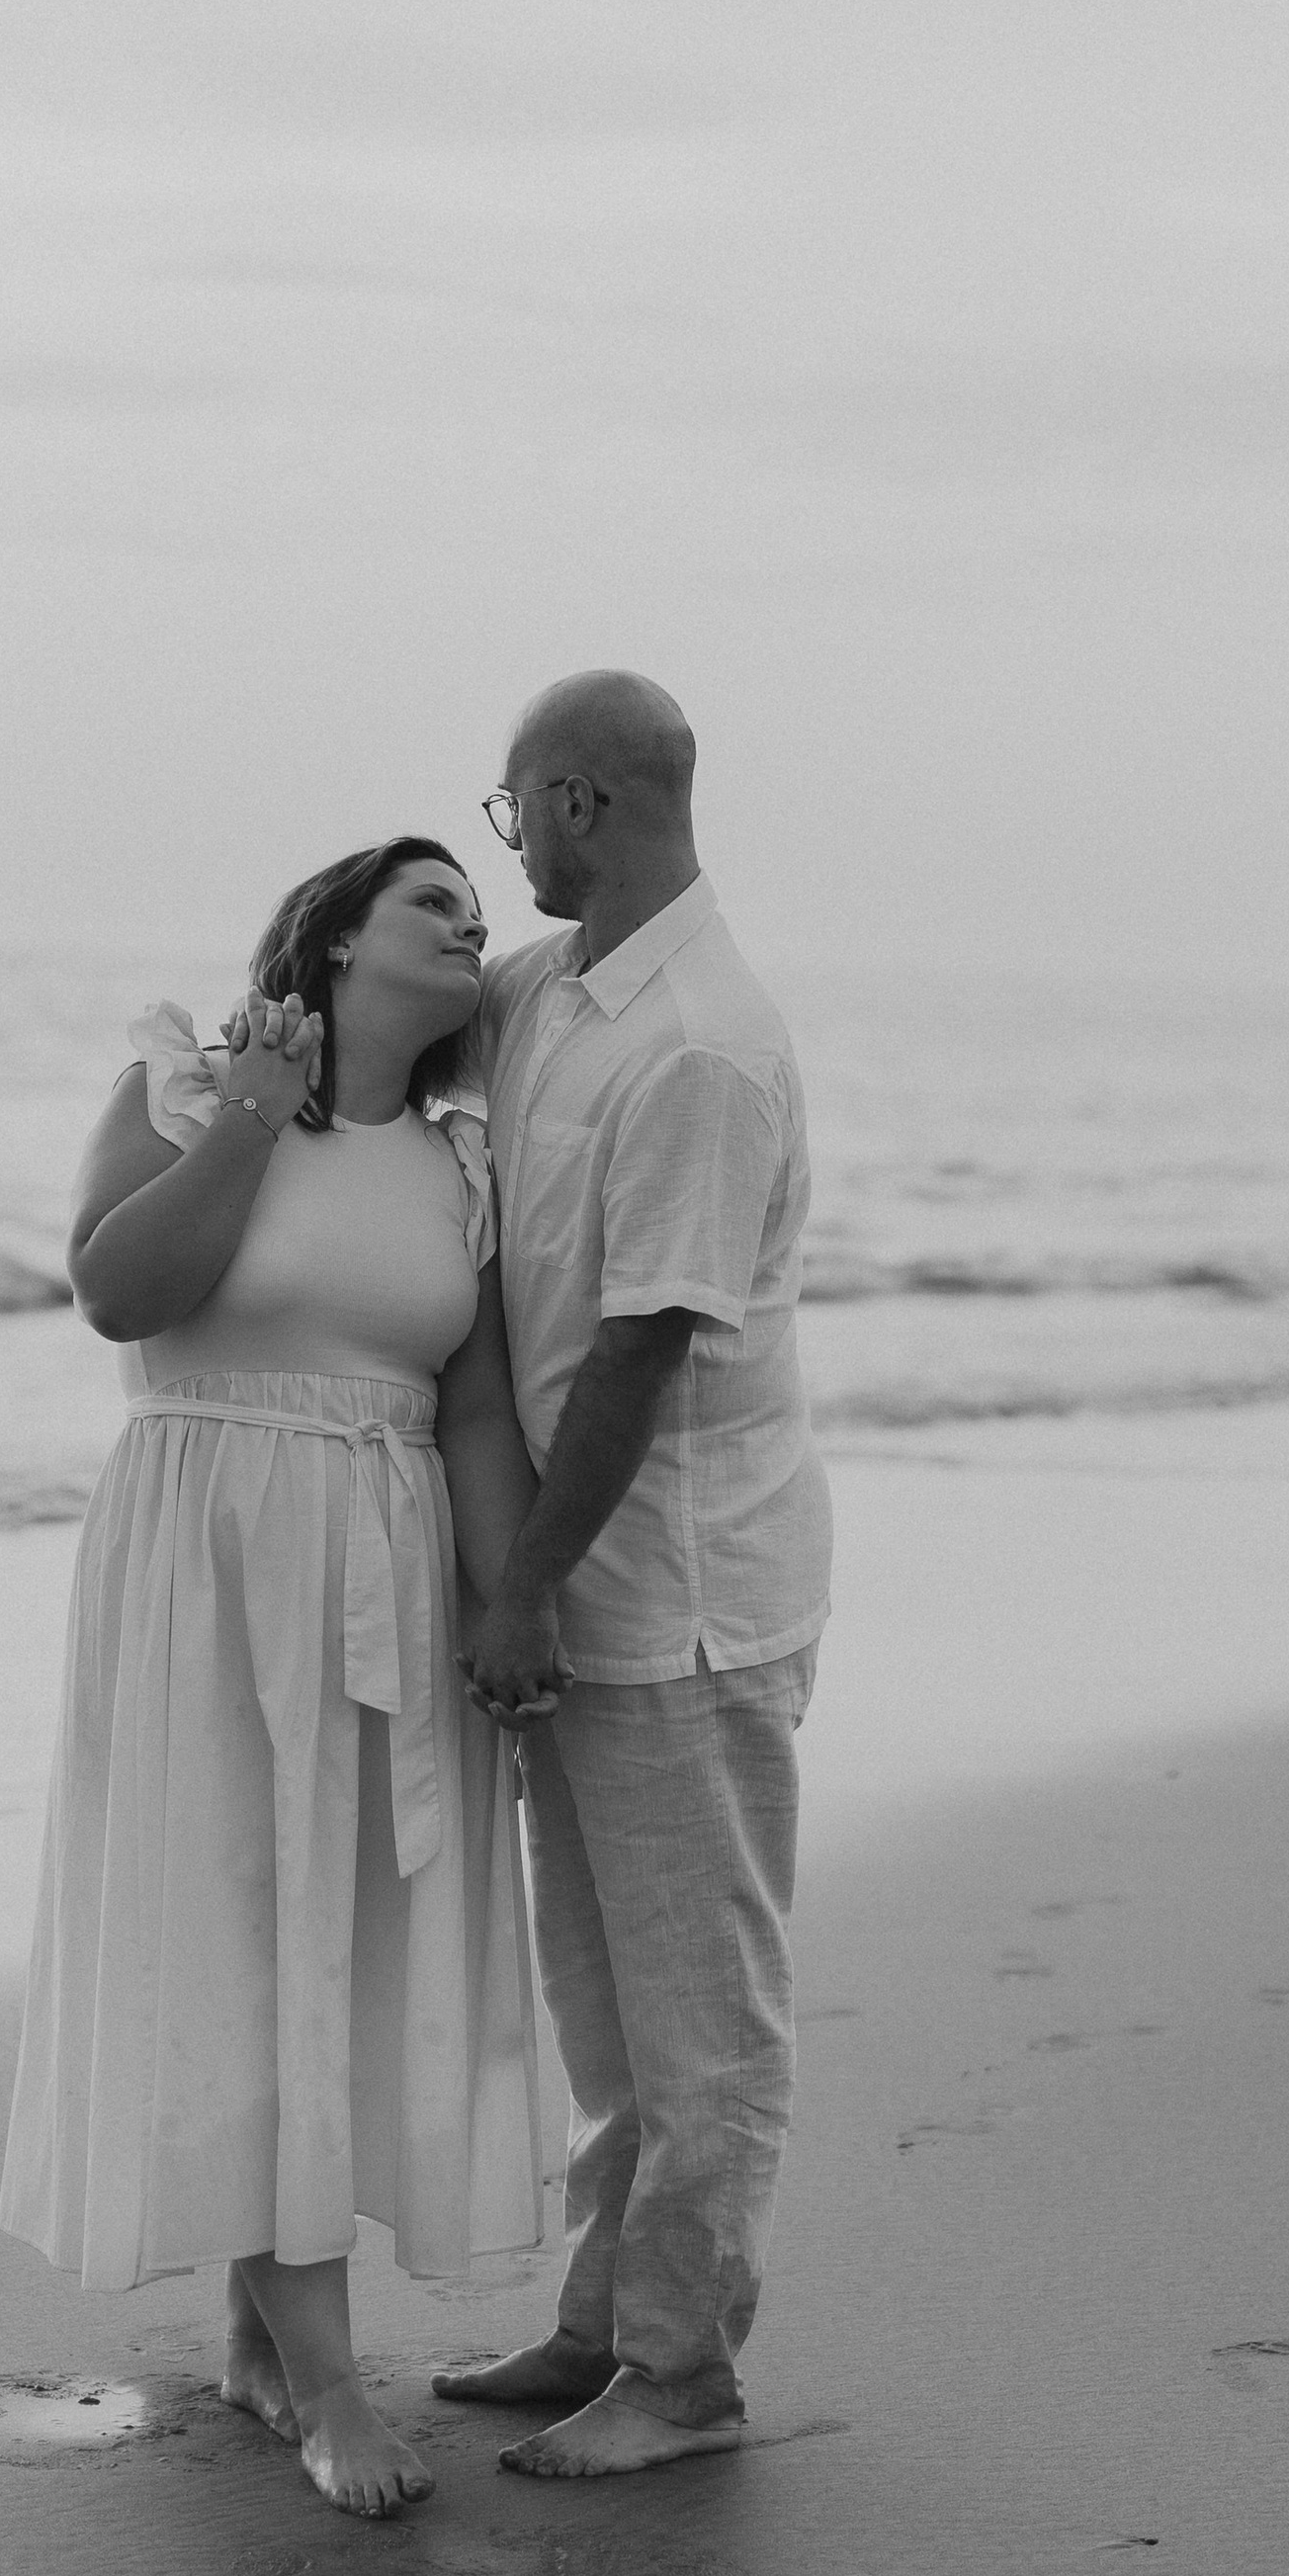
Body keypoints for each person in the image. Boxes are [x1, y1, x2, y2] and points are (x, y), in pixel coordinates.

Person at [0, 839, 550, 2519]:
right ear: (332, 940)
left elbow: (464, 1407)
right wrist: (246, 1110)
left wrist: (509, 1600)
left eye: (479, 910)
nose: (472, 924)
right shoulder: (179, 1082)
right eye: (431, 903)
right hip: (209, 1566)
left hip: (381, 1566)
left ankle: (259, 2327)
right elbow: (116, 1289)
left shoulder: (463, 1163)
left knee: (336, 1936)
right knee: (247, 1922)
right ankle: (323, 2384)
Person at [435, 672, 832, 2477]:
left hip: (681, 1590)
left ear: (582, 799)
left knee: (701, 2011)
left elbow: (644, 1346)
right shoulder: (554, 995)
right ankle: (607, 2321)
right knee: (603, 1997)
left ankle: (686, 2376)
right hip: (581, 1586)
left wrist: (516, 1587)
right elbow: (399, 1023)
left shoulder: (702, 1041)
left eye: (512, 811)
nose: (505, 841)